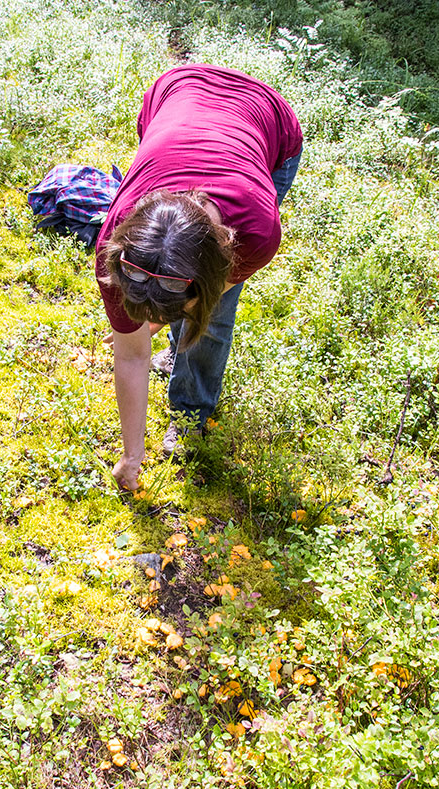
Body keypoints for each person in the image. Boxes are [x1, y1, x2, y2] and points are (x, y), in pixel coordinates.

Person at [96, 64, 303, 491]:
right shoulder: (118, 248)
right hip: (178, 90)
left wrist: (150, 324)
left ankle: (192, 413)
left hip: (267, 119)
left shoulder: (257, 232)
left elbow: (204, 301)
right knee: (176, 305)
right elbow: (130, 356)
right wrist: (131, 455)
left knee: (214, 314)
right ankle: (175, 352)